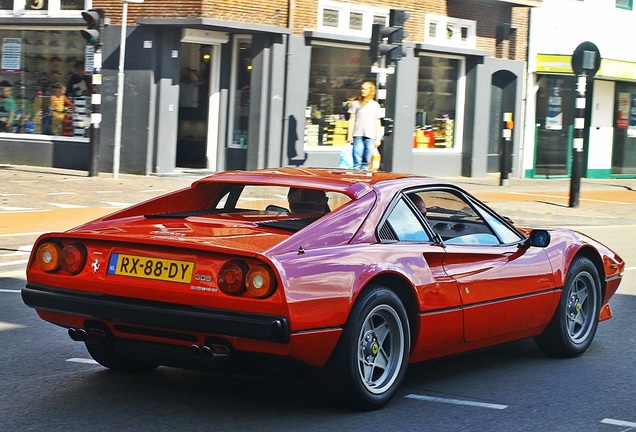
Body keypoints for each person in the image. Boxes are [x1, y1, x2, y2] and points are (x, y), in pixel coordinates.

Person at [347, 81, 383, 170]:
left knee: (366, 161)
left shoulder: (375, 105)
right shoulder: (356, 104)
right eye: (362, 89)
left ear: (370, 91)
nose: (363, 91)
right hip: (358, 135)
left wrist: (378, 138)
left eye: (365, 89)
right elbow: (352, 120)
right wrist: (349, 135)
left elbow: (377, 122)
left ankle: (364, 177)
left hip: (370, 136)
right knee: (357, 160)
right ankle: (356, 177)